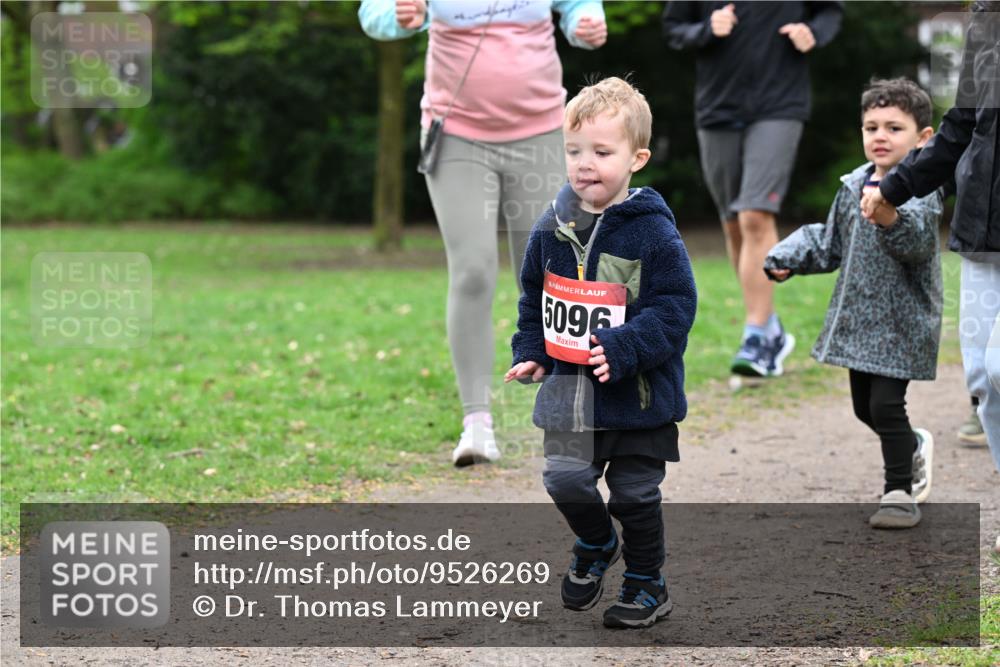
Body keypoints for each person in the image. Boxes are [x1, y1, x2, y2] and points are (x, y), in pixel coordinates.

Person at [359, 0, 607, 466]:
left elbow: (578, 7)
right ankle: (477, 422)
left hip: (540, 132)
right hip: (456, 134)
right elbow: (374, 12)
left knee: (553, 276)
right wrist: (399, 17)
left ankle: (567, 414)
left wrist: (584, 24)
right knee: (472, 270)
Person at [505, 77, 697, 628]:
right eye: (573, 151)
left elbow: (675, 307)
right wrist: (534, 350)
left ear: (637, 158)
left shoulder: (654, 235)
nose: (584, 163)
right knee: (564, 479)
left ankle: (645, 583)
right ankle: (594, 543)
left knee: (635, 495)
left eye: (601, 152)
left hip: (636, 395)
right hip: (568, 392)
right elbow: (532, 299)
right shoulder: (550, 230)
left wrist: (625, 347)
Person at [765, 78, 941, 529]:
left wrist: (890, 217)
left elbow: (918, 243)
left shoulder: (923, 188)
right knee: (864, 408)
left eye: (894, 128)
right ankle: (911, 445)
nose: (880, 136)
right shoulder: (852, 185)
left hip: (902, 320)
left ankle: (898, 491)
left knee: (885, 406)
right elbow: (829, 243)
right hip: (858, 318)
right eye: (871, 127)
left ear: (923, 138)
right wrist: (788, 257)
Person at [662, 0, 842, 379]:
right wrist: (707, 28)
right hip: (717, 108)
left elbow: (829, 12)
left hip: (780, 104)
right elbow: (674, 28)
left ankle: (756, 333)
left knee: (755, 214)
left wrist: (814, 33)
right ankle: (769, 328)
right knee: (733, 223)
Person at [861, 1, 1000, 477]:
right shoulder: (988, 16)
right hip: (982, 231)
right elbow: (961, 125)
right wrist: (891, 189)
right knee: (983, 380)